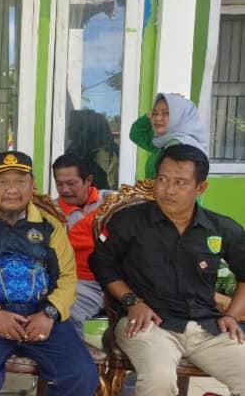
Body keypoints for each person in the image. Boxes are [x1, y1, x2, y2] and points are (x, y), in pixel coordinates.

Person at [90, 144, 245, 396]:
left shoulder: (222, 228)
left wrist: (232, 316)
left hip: (206, 328)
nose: (169, 189)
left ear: (200, 188)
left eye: (180, 182)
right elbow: (102, 263)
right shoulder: (129, 221)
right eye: (162, 179)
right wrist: (132, 301)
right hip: (147, 325)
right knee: (159, 382)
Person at [0, 151, 99, 396]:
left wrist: (49, 313)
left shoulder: (49, 224)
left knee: (81, 375)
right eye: (2, 182)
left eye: (20, 181)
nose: (12, 190)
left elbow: (67, 276)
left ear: (32, 184)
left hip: (40, 313)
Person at [52, 153, 112, 337]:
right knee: (58, 311)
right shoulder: (50, 212)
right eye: (59, 184)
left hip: (111, 278)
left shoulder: (112, 202)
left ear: (88, 180)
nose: (65, 190)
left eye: (71, 183)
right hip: (74, 279)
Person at [130, 93, 208, 179]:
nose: (158, 118)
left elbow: (175, 185)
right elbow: (136, 134)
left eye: (166, 113)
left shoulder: (180, 147)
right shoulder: (164, 141)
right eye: (155, 113)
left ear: (180, 115)